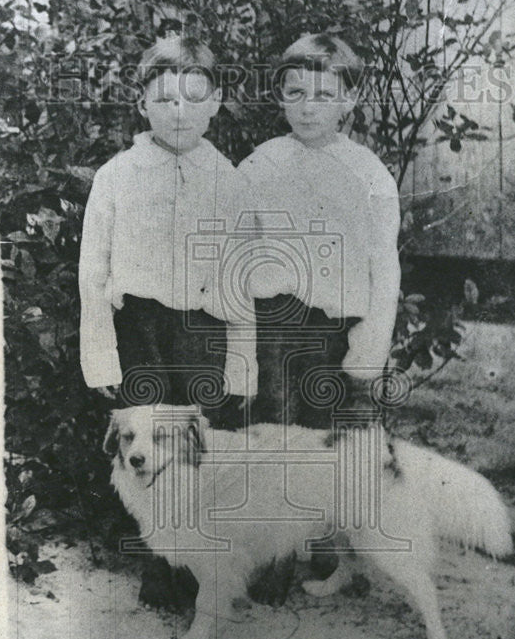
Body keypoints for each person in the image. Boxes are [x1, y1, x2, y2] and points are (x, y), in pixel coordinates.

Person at [78, 34, 256, 428]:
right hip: (138, 336)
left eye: (194, 99)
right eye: (164, 100)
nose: (179, 113)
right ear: (142, 103)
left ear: (215, 101)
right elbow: (92, 277)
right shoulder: (117, 177)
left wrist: (242, 369)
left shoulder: (229, 182)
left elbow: (241, 281)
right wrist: (101, 360)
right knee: (146, 444)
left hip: (205, 339)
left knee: (203, 450)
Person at [239, 32, 401, 429]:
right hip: (271, 333)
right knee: (273, 440)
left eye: (324, 96)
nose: (308, 108)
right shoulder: (260, 167)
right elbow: (236, 260)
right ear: (279, 96)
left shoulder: (368, 174)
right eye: (295, 93)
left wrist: (368, 351)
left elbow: (383, 268)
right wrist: (239, 348)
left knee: (336, 446)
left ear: (349, 100)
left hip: (339, 335)